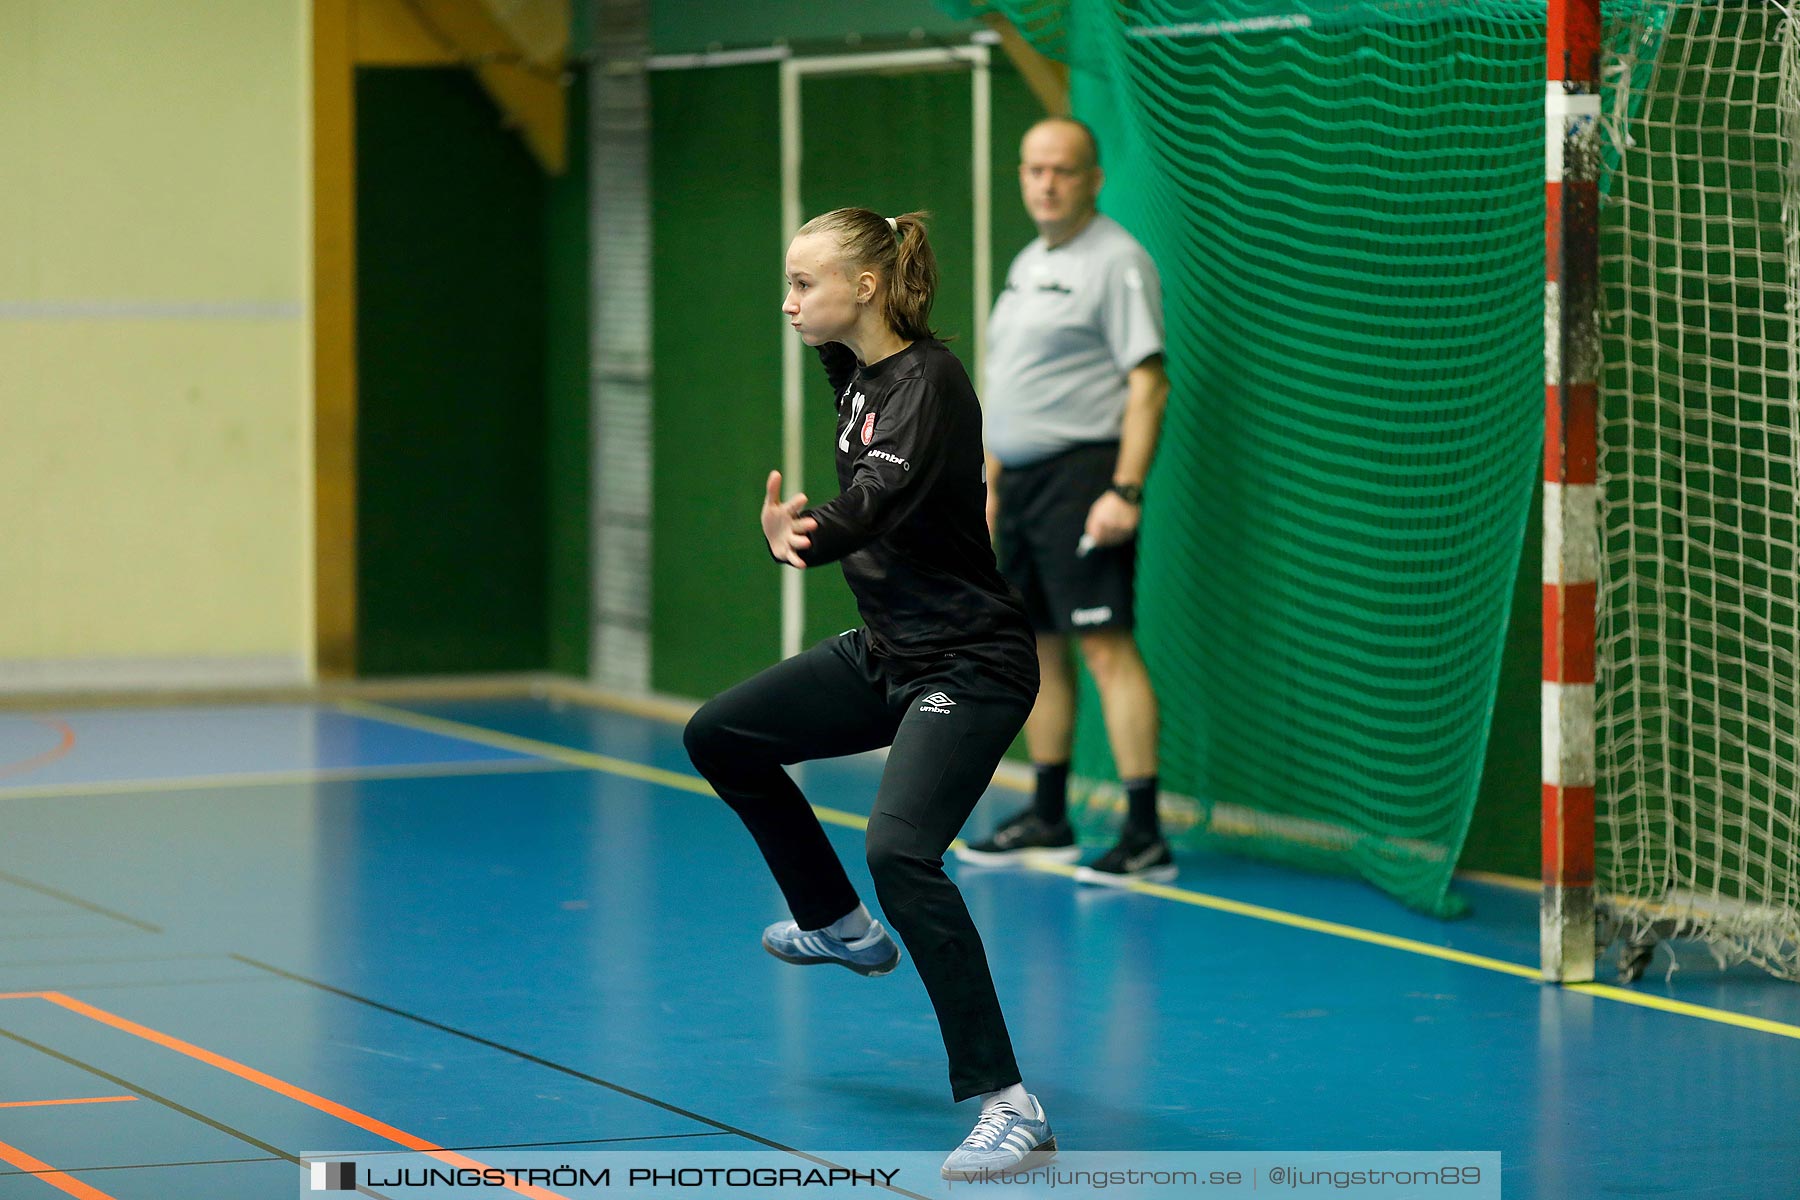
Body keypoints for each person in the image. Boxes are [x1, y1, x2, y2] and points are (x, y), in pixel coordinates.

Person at [682, 208, 1055, 1179]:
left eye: (805, 282)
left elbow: (874, 502)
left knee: (901, 850)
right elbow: (857, 413)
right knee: (721, 735)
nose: (788, 299)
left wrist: (796, 534)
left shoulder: (932, 381)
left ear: (868, 287)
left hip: (970, 665)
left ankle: (1010, 1105)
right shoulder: (859, 372)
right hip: (888, 649)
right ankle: (836, 923)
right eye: (789, 280)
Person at [955, 116, 1177, 886]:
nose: (1046, 183)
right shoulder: (1027, 263)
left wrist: (1124, 489)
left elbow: (1148, 382)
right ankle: (1048, 817)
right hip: (1017, 486)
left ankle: (1144, 834)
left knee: (1104, 645)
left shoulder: (1116, 263)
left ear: (1093, 178)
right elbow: (1012, 389)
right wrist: (987, 480)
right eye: (1034, 168)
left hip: (1084, 479)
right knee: (1039, 646)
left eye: (1064, 170)